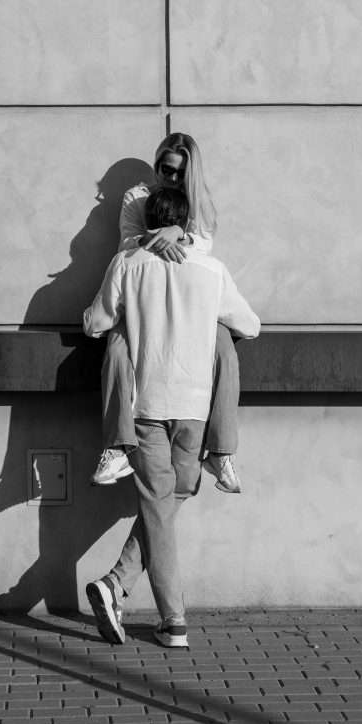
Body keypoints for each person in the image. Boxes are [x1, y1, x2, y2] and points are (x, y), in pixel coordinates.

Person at [82, 186, 260, 649]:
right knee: (168, 500)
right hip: (194, 406)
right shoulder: (211, 269)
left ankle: (117, 585)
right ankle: (172, 619)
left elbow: (95, 323)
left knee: (165, 502)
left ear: (145, 222)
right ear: (185, 223)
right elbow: (250, 325)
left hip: (146, 405)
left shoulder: (128, 263)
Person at [91, 132, 243, 496]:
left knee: (225, 352)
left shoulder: (200, 201)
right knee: (117, 351)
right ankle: (117, 446)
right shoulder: (137, 196)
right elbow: (127, 241)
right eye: (165, 169)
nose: (171, 178)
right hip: (142, 297)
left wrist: (180, 234)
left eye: (178, 172)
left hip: (191, 309)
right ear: (156, 163)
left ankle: (221, 450)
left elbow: (203, 247)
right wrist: (161, 237)